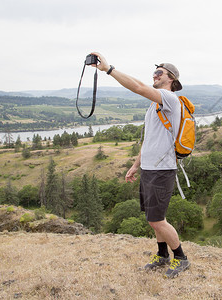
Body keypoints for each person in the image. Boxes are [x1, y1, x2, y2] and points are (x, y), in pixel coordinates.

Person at [90, 52, 190, 278]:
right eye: (154, 72)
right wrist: (136, 165)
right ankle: (162, 254)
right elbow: (149, 140)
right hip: (150, 169)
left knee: (157, 218)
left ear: (171, 78)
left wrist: (109, 69)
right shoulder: (155, 105)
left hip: (163, 169)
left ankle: (181, 257)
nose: (154, 76)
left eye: (159, 73)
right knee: (152, 217)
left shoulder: (169, 99)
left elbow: (137, 87)